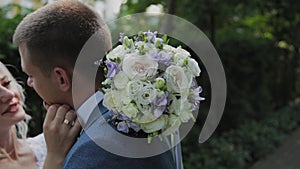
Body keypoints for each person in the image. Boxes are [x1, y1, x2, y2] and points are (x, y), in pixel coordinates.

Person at [13, 0, 176, 168]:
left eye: (31, 75)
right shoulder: (137, 116)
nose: (29, 83)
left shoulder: (95, 151)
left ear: (61, 78)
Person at [0, 61, 81, 169]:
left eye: (6, 83)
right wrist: (54, 157)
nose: (9, 94)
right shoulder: (54, 148)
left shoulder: (49, 142)